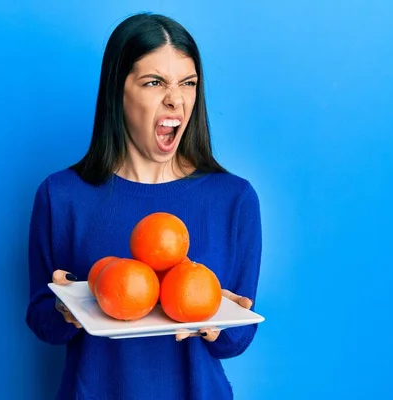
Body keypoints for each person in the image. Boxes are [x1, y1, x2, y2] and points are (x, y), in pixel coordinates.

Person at [25, 12, 262, 400]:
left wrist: (223, 322)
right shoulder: (61, 195)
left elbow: (238, 339)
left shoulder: (234, 199)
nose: (175, 99)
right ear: (118, 90)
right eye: (155, 82)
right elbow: (40, 320)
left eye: (188, 83)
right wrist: (64, 308)